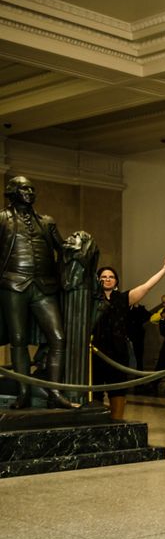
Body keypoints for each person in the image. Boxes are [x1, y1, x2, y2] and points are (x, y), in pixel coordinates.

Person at [0, 175, 71, 409]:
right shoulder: (2, 219)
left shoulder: (46, 221)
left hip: (44, 286)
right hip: (13, 284)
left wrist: (81, 246)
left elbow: (63, 249)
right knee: (18, 340)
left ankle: (54, 393)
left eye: (32, 189)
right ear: (12, 192)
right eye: (24, 189)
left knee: (58, 338)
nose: (30, 193)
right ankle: (23, 394)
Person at [92, 260, 165, 419]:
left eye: (111, 276)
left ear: (116, 281)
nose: (107, 279)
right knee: (94, 389)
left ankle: (117, 424)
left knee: (118, 389)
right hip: (95, 352)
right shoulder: (90, 300)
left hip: (117, 352)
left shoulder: (123, 298)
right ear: (97, 280)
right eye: (103, 276)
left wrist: (164, 268)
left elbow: (147, 286)